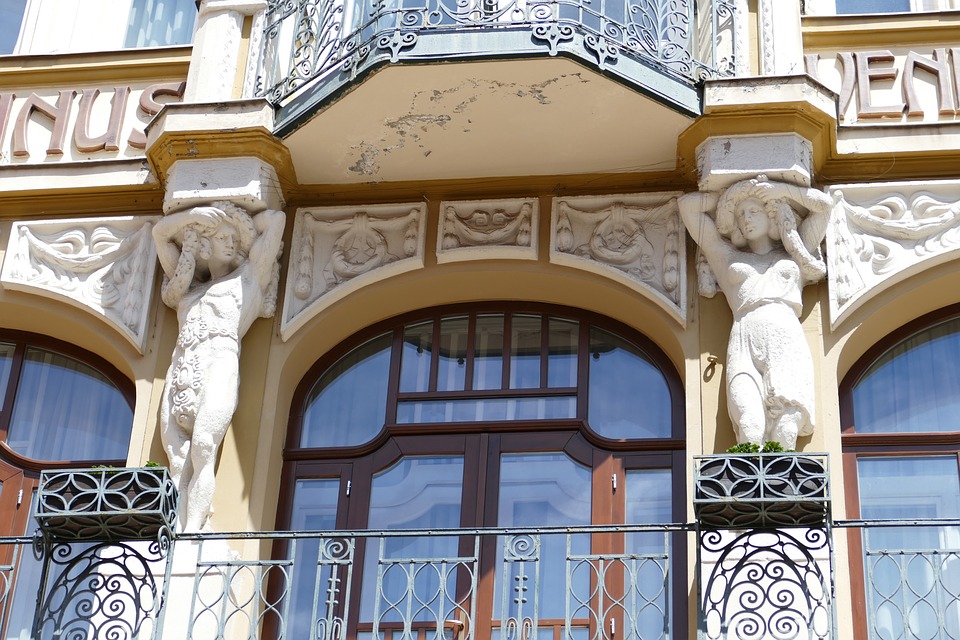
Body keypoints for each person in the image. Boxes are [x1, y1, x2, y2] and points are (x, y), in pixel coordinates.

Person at [153, 202, 285, 531]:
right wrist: (191, 219)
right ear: (204, 243)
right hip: (182, 365)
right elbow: (159, 235)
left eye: (233, 238)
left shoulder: (250, 278)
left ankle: (191, 538)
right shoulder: (188, 286)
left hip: (219, 363)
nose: (231, 241)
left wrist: (239, 221)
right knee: (178, 460)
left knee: (202, 448)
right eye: (223, 236)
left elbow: (276, 220)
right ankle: (178, 533)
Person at [678, 176, 831, 450]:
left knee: (786, 425)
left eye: (754, 211)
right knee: (750, 423)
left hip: (784, 337)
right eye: (740, 214)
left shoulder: (794, 250)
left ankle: (782, 488)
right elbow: (688, 207)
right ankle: (751, 485)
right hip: (744, 336)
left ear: (771, 215)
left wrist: (783, 190)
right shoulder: (728, 258)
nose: (746, 219)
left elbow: (824, 207)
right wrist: (728, 196)